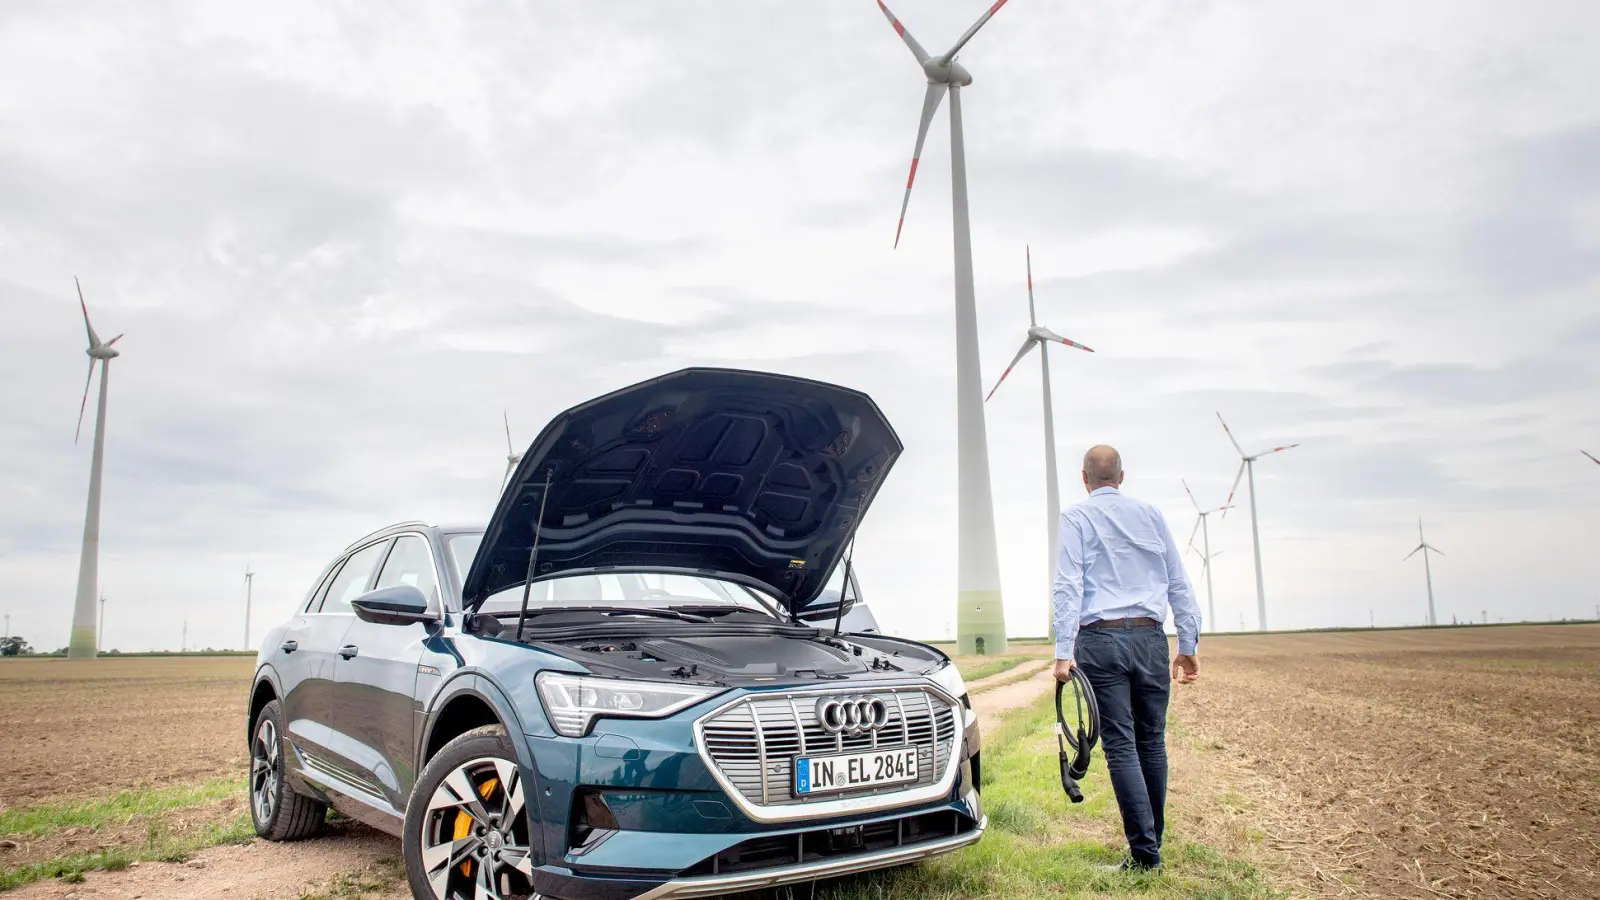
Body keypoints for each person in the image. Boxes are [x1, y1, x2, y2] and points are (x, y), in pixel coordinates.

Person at [1053, 444, 1201, 872]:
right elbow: (1179, 581)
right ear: (1121, 477)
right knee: (1152, 742)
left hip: (1101, 641)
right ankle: (1151, 844)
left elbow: (1068, 585)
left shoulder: (1076, 517)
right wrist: (1187, 645)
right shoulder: (1151, 515)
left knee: (1121, 747)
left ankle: (1145, 855)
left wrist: (1064, 653)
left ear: (1084, 479)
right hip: (1152, 638)